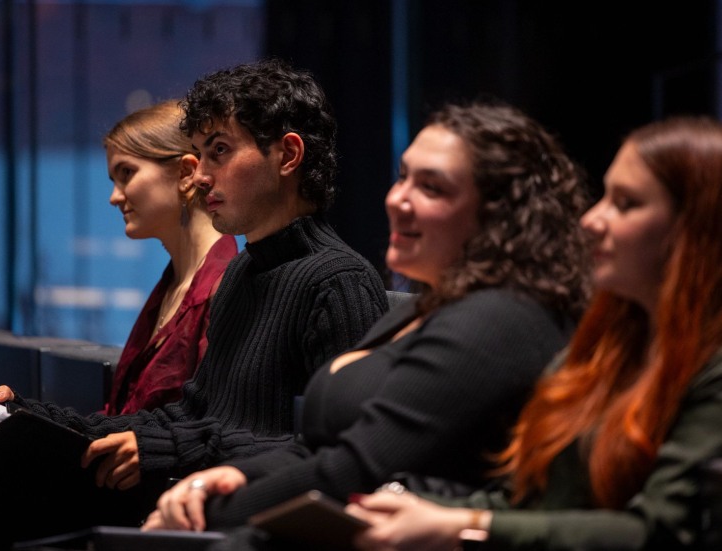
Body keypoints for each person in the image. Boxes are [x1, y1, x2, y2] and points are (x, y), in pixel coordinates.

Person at [0, 58, 388, 550]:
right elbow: (192, 417)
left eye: (219, 151)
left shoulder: (338, 280)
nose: (204, 175)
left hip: (199, 503)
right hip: (164, 478)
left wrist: (164, 449)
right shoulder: (247, 270)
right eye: (198, 154)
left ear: (288, 154)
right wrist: (27, 412)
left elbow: (332, 455)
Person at [345, 116, 722, 551]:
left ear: (696, 231)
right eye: (605, 196)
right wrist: (422, 511)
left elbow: (660, 532)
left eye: (625, 204)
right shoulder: (600, 353)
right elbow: (528, 508)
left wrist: (466, 526)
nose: (591, 220)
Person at [140, 101, 592, 543]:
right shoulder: (431, 307)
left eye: (431, 187)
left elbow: (356, 469)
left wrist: (200, 520)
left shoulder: (500, 318)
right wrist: (222, 478)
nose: (397, 200)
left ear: (498, 213)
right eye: (402, 178)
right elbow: (315, 450)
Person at [101, 99, 237, 414]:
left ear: (186, 172)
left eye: (127, 173)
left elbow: (212, 426)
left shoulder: (225, 288)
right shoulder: (174, 283)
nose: (114, 197)